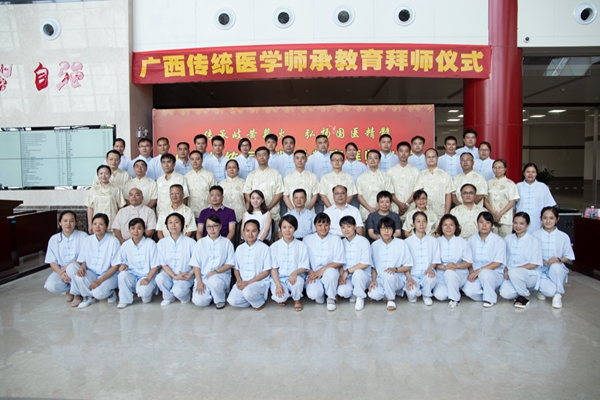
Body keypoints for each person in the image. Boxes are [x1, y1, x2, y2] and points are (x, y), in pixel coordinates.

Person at [66, 213, 120, 308]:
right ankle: (88, 297)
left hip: (109, 275)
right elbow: (84, 260)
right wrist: (82, 267)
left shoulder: (113, 241)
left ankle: (110, 292)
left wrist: (100, 280)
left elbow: (115, 266)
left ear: (107, 226)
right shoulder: (87, 240)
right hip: (92, 273)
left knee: (98, 294)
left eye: (101, 224)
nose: (97, 227)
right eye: (95, 224)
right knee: (79, 276)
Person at [532, 206, 575, 309]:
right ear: (541, 219)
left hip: (557, 270)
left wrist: (558, 260)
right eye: (545, 218)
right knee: (549, 291)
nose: (548, 221)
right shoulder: (534, 235)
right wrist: (540, 261)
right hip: (540, 269)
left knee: (555, 267)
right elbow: (529, 255)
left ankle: (558, 294)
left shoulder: (563, 236)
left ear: (557, 219)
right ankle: (544, 290)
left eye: (551, 218)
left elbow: (568, 256)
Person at [367, 217, 413, 311]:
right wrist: (374, 280)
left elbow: (407, 266)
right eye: (383, 228)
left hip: (397, 277)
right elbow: (373, 267)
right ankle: (388, 292)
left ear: (393, 230)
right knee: (373, 294)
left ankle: (390, 299)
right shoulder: (374, 245)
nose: (386, 231)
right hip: (380, 278)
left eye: (389, 228)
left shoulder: (401, 244)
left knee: (387, 274)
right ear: (379, 230)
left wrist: (395, 269)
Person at [499, 212, 543, 308]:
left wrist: (513, 270)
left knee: (514, 272)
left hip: (529, 274)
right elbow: (504, 258)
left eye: (521, 223)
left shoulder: (534, 241)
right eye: (515, 223)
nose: (518, 226)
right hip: (510, 274)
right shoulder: (508, 238)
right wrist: (506, 270)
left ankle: (525, 295)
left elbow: (535, 264)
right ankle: (520, 288)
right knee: (504, 293)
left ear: (528, 224)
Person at [43, 210, 88, 305]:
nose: (68, 224)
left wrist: (67, 267)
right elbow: (52, 261)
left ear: (76, 223)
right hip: (62, 270)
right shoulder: (54, 239)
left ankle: (77, 294)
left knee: (72, 268)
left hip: (78, 268)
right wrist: (61, 273)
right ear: (60, 223)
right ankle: (71, 290)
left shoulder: (83, 236)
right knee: (50, 285)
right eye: (65, 221)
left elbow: (85, 258)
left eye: (71, 221)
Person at [190, 215, 236, 309]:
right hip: (203, 277)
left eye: (215, 226)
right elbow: (196, 264)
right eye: (209, 226)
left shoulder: (227, 243)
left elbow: (230, 263)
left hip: (220, 275)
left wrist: (215, 271)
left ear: (220, 226)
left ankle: (219, 300)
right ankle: (211, 295)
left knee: (213, 281)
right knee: (199, 301)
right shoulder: (200, 243)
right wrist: (199, 281)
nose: (212, 229)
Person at [463, 211, 506, 308]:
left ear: (492, 225)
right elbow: (468, 260)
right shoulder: (471, 240)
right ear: (477, 224)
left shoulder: (499, 241)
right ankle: (489, 293)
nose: (484, 225)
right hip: (475, 274)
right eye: (481, 222)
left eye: (487, 222)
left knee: (485, 273)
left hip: (494, 274)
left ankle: (489, 299)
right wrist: (471, 271)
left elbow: (498, 262)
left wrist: (479, 270)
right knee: (468, 291)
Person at [227, 220, 272, 311]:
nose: (250, 234)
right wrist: (239, 280)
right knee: (232, 301)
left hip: (258, 282)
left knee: (247, 292)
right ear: (243, 231)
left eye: (254, 231)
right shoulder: (239, 248)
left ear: (258, 232)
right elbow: (236, 268)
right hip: (242, 281)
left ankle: (259, 302)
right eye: (247, 231)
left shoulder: (265, 248)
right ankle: (251, 300)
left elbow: (267, 271)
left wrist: (248, 282)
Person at [303, 213, 345, 311]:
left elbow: (339, 261)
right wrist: (311, 272)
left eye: (326, 225)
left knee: (330, 273)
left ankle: (331, 298)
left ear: (330, 225)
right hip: (313, 272)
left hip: (329, 271)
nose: (323, 228)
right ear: (315, 225)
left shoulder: (336, 239)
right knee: (314, 294)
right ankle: (321, 293)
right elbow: (304, 260)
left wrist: (321, 270)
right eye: (320, 225)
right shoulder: (307, 239)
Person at [116, 218, 160, 309]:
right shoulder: (125, 245)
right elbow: (122, 262)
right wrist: (122, 266)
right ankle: (124, 300)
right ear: (129, 230)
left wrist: (148, 279)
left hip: (147, 276)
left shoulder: (151, 244)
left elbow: (155, 266)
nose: (135, 231)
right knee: (122, 275)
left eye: (139, 228)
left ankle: (147, 295)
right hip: (132, 275)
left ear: (144, 229)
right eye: (133, 228)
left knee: (144, 294)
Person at [270, 215, 310, 311]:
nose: (287, 230)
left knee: (296, 284)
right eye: (284, 227)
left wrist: (295, 272)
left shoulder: (301, 245)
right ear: (280, 228)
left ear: (295, 228)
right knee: (280, 298)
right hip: (280, 278)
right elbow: (274, 269)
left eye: (290, 227)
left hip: (295, 277)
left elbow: (304, 266)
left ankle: (297, 299)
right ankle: (284, 296)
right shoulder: (274, 246)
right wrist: (278, 284)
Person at [155, 213, 196, 306]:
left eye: (176, 222)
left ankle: (185, 297)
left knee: (179, 291)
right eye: (170, 222)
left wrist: (190, 274)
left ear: (182, 225)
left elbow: (196, 263)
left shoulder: (191, 242)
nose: (173, 225)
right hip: (169, 274)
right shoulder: (161, 243)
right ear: (166, 226)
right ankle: (168, 297)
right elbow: (163, 264)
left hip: (185, 275)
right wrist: (174, 276)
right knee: (159, 278)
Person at [433, 214, 473, 308]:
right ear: (441, 227)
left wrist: (456, 266)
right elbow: (433, 262)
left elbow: (468, 262)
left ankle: (455, 299)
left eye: (451, 225)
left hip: (459, 272)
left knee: (450, 273)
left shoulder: (462, 241)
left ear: (456, 227)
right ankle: (454, 289)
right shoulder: (436, 242)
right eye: (445, 225)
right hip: (441, 273)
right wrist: (444, 267)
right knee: (440, 295)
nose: (448, 228)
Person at [404, 211, 440, 305]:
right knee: (412, 294)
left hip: (427, 273)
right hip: (413, 275)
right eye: (418, 221)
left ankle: (426, 295)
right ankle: (415, 293)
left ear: (427, 223)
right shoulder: (407, 242)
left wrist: (431, 268)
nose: (421, 224)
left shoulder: (433, 241)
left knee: (431, 278)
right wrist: (409, 278)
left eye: (424, 221)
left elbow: (435, 259)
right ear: (413, 224)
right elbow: (404, 263)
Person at [337, 216, 372, 311]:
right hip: (347, 277)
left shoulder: (363, 241)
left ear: (355, 226)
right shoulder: (341, 243)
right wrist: (341, 275)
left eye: (349, 226)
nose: (346, 230)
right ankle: (353, 293)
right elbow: (339, 262)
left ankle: (360, 297)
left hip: (362, 276)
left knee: (358, 273)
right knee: (342, 291)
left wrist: (347, 271)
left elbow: (365, 264)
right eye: (343, 227)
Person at [243, 146, 284, 224]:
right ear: (256, 157)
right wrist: (255, 207)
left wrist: (268, 207)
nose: (261, 157)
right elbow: (247, 192)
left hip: (273, 213)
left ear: (268, 157)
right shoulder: (251, 175)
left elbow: (279, 193)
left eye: (264, 155)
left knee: (273, 231)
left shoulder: (276, 174)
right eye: (259, 155)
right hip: (255, 214)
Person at [516, 162, 557, 233]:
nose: (530, 174)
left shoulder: (542, 187)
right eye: (528, 172)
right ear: (523, 173)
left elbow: (549, 207)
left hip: (538, 222)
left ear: (536, 173)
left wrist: (545, 222)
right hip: (520, 223)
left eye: (533, 172)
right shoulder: (517, 186)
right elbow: (513, 207)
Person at [484, 159, 520, 237]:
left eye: (500, 167)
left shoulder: (510, 184)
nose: (497, 170)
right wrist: (494, 213)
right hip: (492, 217)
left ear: (505, 169)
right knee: (492, 240)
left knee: (506, 240)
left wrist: (500, 213)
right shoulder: (488, 183)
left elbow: (512, 201)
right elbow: (485, 200)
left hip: (506, 218)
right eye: (495, 167)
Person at [388, 141, 424, 219]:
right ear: (397, 152)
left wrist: (407, 204)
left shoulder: (415, 171)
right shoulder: (390, 171)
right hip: (394, 209)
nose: (403, 154)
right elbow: (389, 191)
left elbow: (417, 190)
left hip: (411, 209)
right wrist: (399, 204)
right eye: (401, 151)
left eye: (406, 151)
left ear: (410, 153)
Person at [356, 149, 395, 222]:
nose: (372, 160)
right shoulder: (361, 177)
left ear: (379, 160)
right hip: (366, 212)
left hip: (383, 212)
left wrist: (378, 208)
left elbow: (389, 194)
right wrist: (369, 208)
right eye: (370, 158)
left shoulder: (385, 176)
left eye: (375, 158)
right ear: (367, 160)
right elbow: (359, 196)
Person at [85, 165, 125, 234]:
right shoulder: (93, 190)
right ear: (97, 175)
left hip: (113, 222)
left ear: (110, 175)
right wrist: (90, 225)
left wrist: (120, 224)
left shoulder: (116, 189)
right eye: (101, 173)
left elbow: (121, 207)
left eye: (106, 173)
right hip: (97, 224)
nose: (103, 176)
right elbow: (90, 208)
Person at [419, 148, 455, 217]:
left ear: (437, 158)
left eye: (433, 157)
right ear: (425, 159)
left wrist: (447, 211)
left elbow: (448, 194)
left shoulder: (445, 175)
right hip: (423, 212)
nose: (431, 159)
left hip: (440, 212)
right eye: (428, 157)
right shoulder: (420, 175)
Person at [185, 150, 217, 219]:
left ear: (202, 160)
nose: (195, 161)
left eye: (197, 159)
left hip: (207, 212)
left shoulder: (210, 176)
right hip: (190, 213)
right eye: (192, 159)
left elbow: (215, 194)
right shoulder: (186, 177)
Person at [156, 153, 189, 218]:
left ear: (174, 164)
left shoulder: (180, 178)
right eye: (163, 162)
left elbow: (185, 197)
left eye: (169, 162)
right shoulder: (159, 180)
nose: (166, 165)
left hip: (176, 214)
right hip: (161, 214)